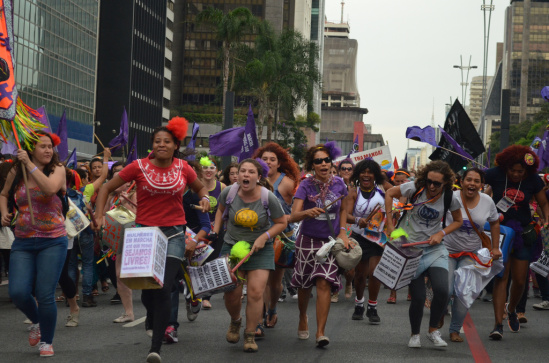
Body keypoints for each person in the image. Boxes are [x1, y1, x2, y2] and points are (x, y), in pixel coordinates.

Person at [94, 117, 210, 363]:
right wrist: (99, 215)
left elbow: (201, 189)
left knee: (164, 287)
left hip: (175, 234)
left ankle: (155, 348)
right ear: (152, 145)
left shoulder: (183, 168)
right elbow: (105, 188)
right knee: (146, 289)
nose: (161, 145)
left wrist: (206, 199)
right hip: (145, 234)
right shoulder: (137, 166)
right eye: (157, 141)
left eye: (167, 141)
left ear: (175, 145)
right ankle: (149, 316)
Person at [0, 133, 68, 357]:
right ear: (31, 149)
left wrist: (29, 164)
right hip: (23, 240)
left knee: (45, 293)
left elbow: (49, 189)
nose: (48, 150)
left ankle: (46, 341)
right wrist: (4, 212)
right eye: (43, 147)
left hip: (53, 241)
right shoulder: (16, 172)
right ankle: (38, 321)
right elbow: (3, 194)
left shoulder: (57, 169)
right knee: (18, 292)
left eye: (50, 147)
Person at [385, 160, 463, 348]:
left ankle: (433, 330)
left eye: (437, 183)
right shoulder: (414, 188)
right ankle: (414, 334)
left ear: (445, 183)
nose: (432, 186)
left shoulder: (449, 197)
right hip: (411, 249)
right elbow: (389, 193)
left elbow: (458, 221)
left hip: (435, 249)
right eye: (429, 181)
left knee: (443, 290)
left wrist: (441, 233)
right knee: (418, 297)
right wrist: (389, 225)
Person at [212, 159, 287, 353]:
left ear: (259, 177)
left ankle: (250, 334)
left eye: (251, 172)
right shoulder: (229, 192)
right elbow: (220, 211)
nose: (245, 175)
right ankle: (236, 321)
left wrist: (265, 236)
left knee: (255, 292)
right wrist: (216, 231)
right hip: (232, 246)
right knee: (232, 293)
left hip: (260, 249)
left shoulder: (267, 197)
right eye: (242, 171)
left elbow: (281, 223)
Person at [289, 142, 351, 348]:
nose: (324, 164)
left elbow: (343, 210)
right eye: (318, 161)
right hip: (307, 241)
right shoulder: (305, 185)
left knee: (324, 283)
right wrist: (306, 212)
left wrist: (343, 232)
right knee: (305, 286)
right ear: (312, 165)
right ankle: (302, 317)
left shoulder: (340, 184)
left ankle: (320, 332)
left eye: (326, 160)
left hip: (329, 243)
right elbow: (293, 216)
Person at [484, 145, 549, 339]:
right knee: (501, 277)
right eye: (512, 170)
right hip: (500, 231)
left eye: (520, 171)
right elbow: (482, 194)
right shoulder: (494, 174)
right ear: (505, 166)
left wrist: (546, 218)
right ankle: (497, 324)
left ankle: (511, 309)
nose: (516, 174)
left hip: (523, 232)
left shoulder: (532, 180)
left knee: (520, 280)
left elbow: (544, 203)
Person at [442, 168, 501, 342]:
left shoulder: (487, 201)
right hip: (447, 250)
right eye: (469, 180)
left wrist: (495, 248)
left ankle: (454, 330)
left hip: (471, 254)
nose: (472, 184)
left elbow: (495, 223)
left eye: (477, 181)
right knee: (446, 289)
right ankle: (439, 313)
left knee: (463, 292)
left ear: (482, 185)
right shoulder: (451, 198)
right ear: (461, 182)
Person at [254, 142, 300, 333]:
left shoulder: (288, 184)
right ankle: (259, 316)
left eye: (272, 159)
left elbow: (298, 211)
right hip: (258, 237)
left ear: (279, 164)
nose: (268, 162)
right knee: (260, 281)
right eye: (264, 159)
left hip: (281, 239)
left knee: (274, 283)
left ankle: (272, 308)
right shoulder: (252, 179)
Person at [68, 149, 111, 308]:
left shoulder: (62, 192)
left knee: (72, 265)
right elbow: (104, 175)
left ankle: (70, 297)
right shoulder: (86, 190)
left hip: (70, 233)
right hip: (85, 232)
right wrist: (106, 158)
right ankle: (87, 297)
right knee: (87, 264)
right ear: (84, 180)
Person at [345, 159, 386, 324]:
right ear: (358, 175)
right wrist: (357, 220)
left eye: (370, 172)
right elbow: (346, 215)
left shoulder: (383, 190)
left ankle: (373, 307)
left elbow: (401, 196)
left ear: (375, 175)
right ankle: (359, 303)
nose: (366, 175)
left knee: (375, 273)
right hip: (359, 237)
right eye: (363, 172)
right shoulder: (353, 192)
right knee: (360, 275)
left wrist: (395, 210)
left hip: (377, 238)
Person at [199, 158, 226, 310]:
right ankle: (192, 292)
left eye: (212, 167)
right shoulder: (195, 185)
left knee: (210, 262)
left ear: (217, 171)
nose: (208, 170)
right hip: (198, 229)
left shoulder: (222, 187)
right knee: (197, 262)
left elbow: (226, 209)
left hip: (217, 230)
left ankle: (206, 296)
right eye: (205, 167)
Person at [387, 169, 411, 304]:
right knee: (394, 263)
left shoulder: (414, 194)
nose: (401, 184)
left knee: (409, 263)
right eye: (397, 182)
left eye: (403, 181)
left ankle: (410, 292)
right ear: (393, 181)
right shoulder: (389, 195)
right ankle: (392, 293)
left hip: (409, 231)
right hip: (394, 232)